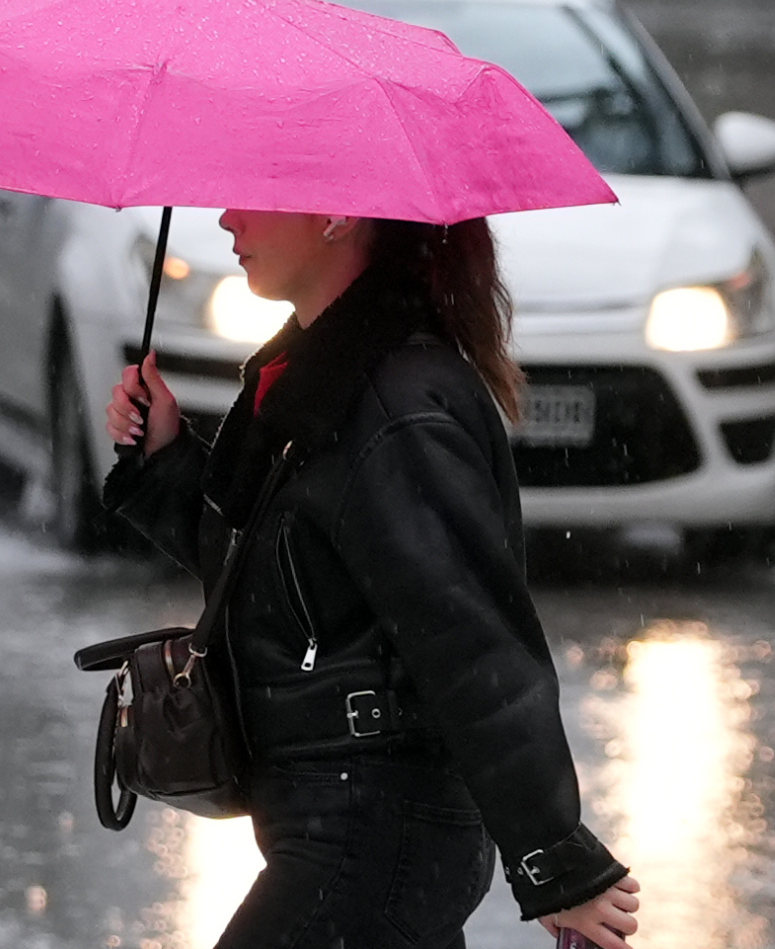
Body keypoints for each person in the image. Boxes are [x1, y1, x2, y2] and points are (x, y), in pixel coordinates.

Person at [101, 210, 641, 948]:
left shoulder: (395, 404)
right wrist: (165, 459)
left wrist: (553, 857)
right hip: (345, 826)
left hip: (376, 831)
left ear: (334, 216)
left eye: (251, 193)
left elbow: (471, 641)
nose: (226, 216)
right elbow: (275, 581)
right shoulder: (315, 376)